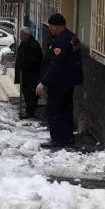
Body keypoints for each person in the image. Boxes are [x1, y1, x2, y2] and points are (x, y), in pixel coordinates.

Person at [36, 13, 83, 149]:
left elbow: (55, 66)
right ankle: (67, 138)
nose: (50, 29)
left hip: (59, 82)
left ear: (56, 27)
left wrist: (43, 82)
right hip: (69, 81)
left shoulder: (61, 42)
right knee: (66, 110)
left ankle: (57, 139)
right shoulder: (72, 37)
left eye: (50, 26)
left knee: (55, 111)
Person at [15, 27, 43, 119]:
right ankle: (28, 110)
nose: (20, 36)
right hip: (26, 73)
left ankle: (30, 111)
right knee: (26, 92)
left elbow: (32, 60)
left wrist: (23, 64)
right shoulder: (24, 43)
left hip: (31, 74)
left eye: (22, 34)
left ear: (27, 36)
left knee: (31, 93)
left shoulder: (33, 45)